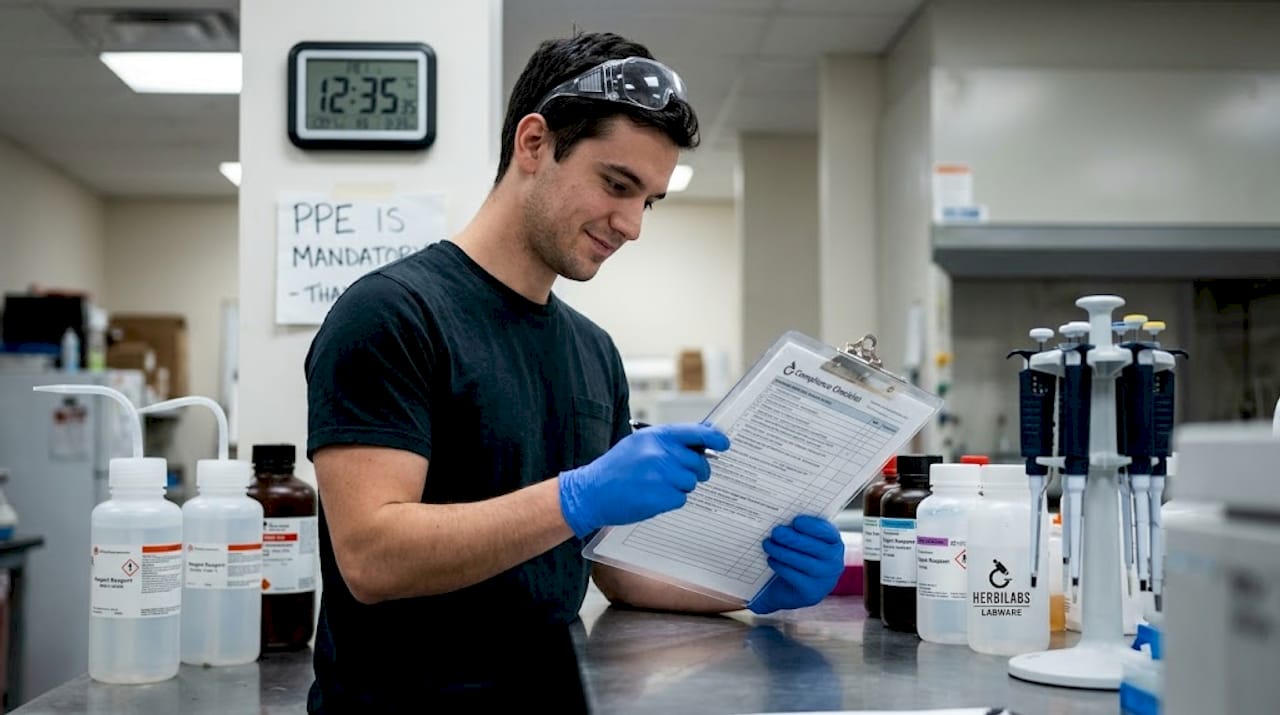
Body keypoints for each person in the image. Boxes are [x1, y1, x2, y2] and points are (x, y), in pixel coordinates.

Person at [303, 31, 844, 712]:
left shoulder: (593, 352)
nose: (631, 225)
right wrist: (575, 496)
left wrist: (756, 586)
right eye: (617, 185)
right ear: (534, 144)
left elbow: (614, 567)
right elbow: (372, 557)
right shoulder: (392, 314)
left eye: (648, 200)